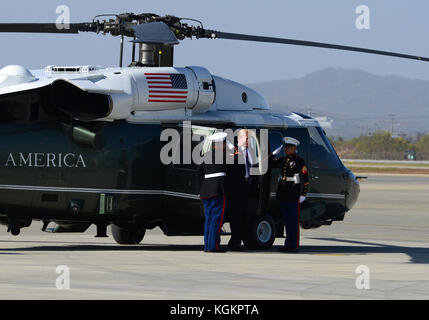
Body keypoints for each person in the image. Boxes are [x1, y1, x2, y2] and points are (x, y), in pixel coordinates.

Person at [271, 137, 309, 252]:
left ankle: (293, 244)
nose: (286, 149)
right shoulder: (283, 160)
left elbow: (304, 179)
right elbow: (270, 164)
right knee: (287, 221)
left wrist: (303, 194)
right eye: (286, 147)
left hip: (293, 194)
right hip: (283, 193)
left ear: (294, 148)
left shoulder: (299, 161)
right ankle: (288, 244)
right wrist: (272, 154)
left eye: (289, 147)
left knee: (293, 221)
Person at [196, 132, 228, 253]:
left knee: (209, 219)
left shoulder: (205, 155)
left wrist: (199, 190)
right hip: (217, 190)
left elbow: (198, 173)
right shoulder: (225, 156)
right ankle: (213, 246)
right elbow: (238, 157)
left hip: (205, 191)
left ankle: (207, 245)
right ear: (221, 144)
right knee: (216, 219)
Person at [225, 129, 252, 251]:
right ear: (239, 139)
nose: (248, 141)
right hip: (235, 189)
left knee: (245, 216)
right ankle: (234, 242)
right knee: (236, 216)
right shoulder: (232, 151)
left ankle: (244, 240)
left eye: (249, 139)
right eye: (246, 138)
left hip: (247, 187)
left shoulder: (250, 152)